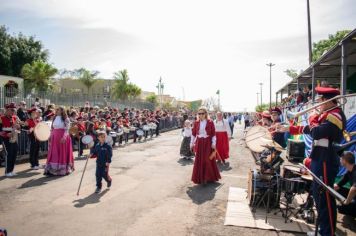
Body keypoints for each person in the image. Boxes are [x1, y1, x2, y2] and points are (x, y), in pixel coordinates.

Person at [277, 87, 346, 236]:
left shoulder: (335, 115)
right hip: (319, 158)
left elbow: (317, 132)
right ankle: (322, 230)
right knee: (319, 197)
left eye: (321, 100)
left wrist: (312, 118)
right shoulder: (326, 115)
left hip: (325, 160)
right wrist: (290, 128)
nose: (319, 103)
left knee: (325, 199)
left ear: (328, 100)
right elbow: (310, 129)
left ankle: (327, 233)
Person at [190, 107, 221, 184]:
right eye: (199, 113)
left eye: (202, 113)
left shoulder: (210, 122)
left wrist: (213, 143)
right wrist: (191, 143)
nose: (200, 115)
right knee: (199, 160)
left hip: (207, 143)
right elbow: (193, 134)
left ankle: (207, 177)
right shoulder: (196, 122)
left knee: (207, 160)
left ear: (205, 114)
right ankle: (201, 178)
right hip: (200, 143)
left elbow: (213, 134)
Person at [44, 106, 74, 176]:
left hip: (63, 137)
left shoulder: (66, 119)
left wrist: (64, 137)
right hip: (55, 136)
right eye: (57, 110)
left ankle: (62, 169)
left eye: (59, 110)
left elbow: (67, 129)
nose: (57, 111)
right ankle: (52, 169)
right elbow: (52, 128)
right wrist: (50, 136)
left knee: (62, 152)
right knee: (54, 152)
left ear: (62, 111)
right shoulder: (54, 118)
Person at [0, 103, 20, 177]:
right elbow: (0, 130)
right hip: (6, 139)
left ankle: (11, 170)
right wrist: (6, 134)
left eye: (14, 110)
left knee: (14, 154)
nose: (13, 111)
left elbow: (18, 128)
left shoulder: (14, 118)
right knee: (9, 154)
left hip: (14, 138)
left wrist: (18, 127)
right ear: (7, 110)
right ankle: (7, 171)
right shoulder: (1, 118)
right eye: (12, 110)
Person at [334, 151, 356, 217]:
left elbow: (354, 189)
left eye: (341, 159)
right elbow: (338, 185)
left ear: (345, 160)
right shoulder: (349, 171)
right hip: (354, 197)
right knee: (338, 190)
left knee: (341, 208)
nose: (340, 160)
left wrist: (347, 202)